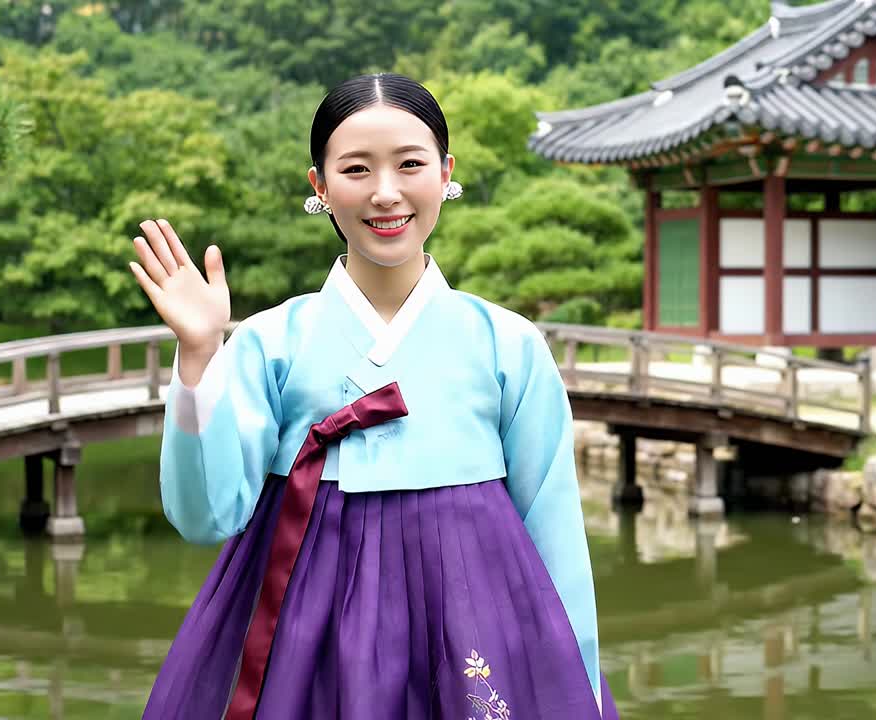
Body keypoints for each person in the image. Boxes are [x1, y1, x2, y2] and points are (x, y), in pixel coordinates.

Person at [128, 72, 619, 720]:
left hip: (469, 623)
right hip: (304, 634)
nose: (386, 193)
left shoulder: (508, 344)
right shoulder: (270, 344)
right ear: (320, 187)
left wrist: (578, 690)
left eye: (410, 164)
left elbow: (556, 542)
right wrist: (198, 354)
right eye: (356, 169)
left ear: (446, 173)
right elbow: (205, 517)